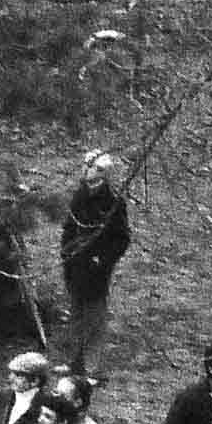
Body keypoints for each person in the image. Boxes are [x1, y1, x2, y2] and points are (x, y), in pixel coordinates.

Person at [59, 155, 132, 379]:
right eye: (88, 181)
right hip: (75, 264)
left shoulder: (113, 203)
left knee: (95, 316)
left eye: (96, 182)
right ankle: (75, 363)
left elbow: (122, 239)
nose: (91, 186)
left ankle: (92, 369)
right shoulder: (79, 197)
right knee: (77, 314)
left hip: (96, 269)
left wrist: (102, 259)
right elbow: (70, 228)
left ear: (105, 179)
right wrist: (66, 253)